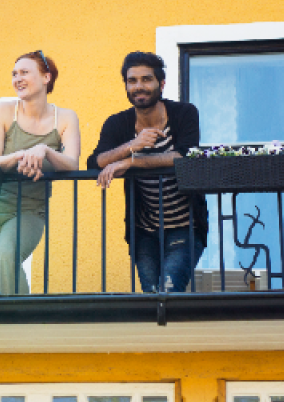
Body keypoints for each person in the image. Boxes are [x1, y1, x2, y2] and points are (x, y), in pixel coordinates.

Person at [86, 52, 207, 293]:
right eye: (132, 81)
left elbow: (184, 157)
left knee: (169, 292)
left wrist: (131, 163)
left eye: (146, 79)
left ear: (161, 84)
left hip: (186, 226)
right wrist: (132, 146)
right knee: (151, 295)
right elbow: (95, 161)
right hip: (144, 232)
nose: (139, 87)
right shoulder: (118, 123)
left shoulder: (184, 114)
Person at [0, 51, 81, 295]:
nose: (17, 78)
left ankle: (19, 320)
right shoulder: (4, 111)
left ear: (46, 77)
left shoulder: (66, 118)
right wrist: (19, 156)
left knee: (8, 253)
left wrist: (44, 150)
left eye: (24, 72)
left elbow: (72, 164)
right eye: (14, 74)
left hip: (30, 209)